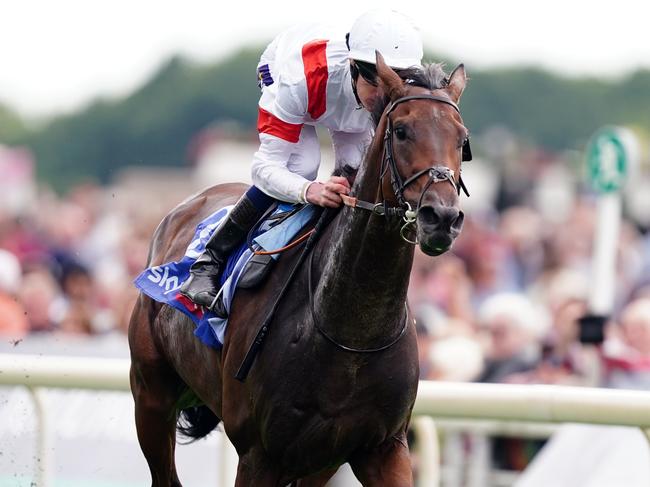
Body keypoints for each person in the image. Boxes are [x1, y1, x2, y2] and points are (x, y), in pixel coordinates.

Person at [180, 9, 424, 311]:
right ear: (353, 67)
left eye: (390, 86)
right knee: (303, 165)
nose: (379, 97)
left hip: (335, 89)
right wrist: (311, 190)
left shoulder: (399, 91)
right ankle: (209, 261)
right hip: (284, 68)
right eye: (373, 84)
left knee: (356, 170)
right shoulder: (299, 81)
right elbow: (264, 168)